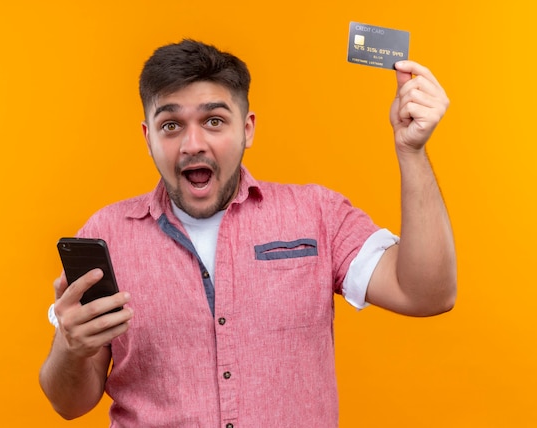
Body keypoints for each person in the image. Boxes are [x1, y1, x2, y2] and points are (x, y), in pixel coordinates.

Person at [39, 39, 456, 427]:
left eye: (214, 120)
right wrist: (70, 346)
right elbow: (69, 404)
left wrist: (412, 151)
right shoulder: (106, 235)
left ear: (248, 129)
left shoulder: (317, 214)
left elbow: (426, 293)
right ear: (148, 137)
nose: (193, 144)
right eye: (171, 126)